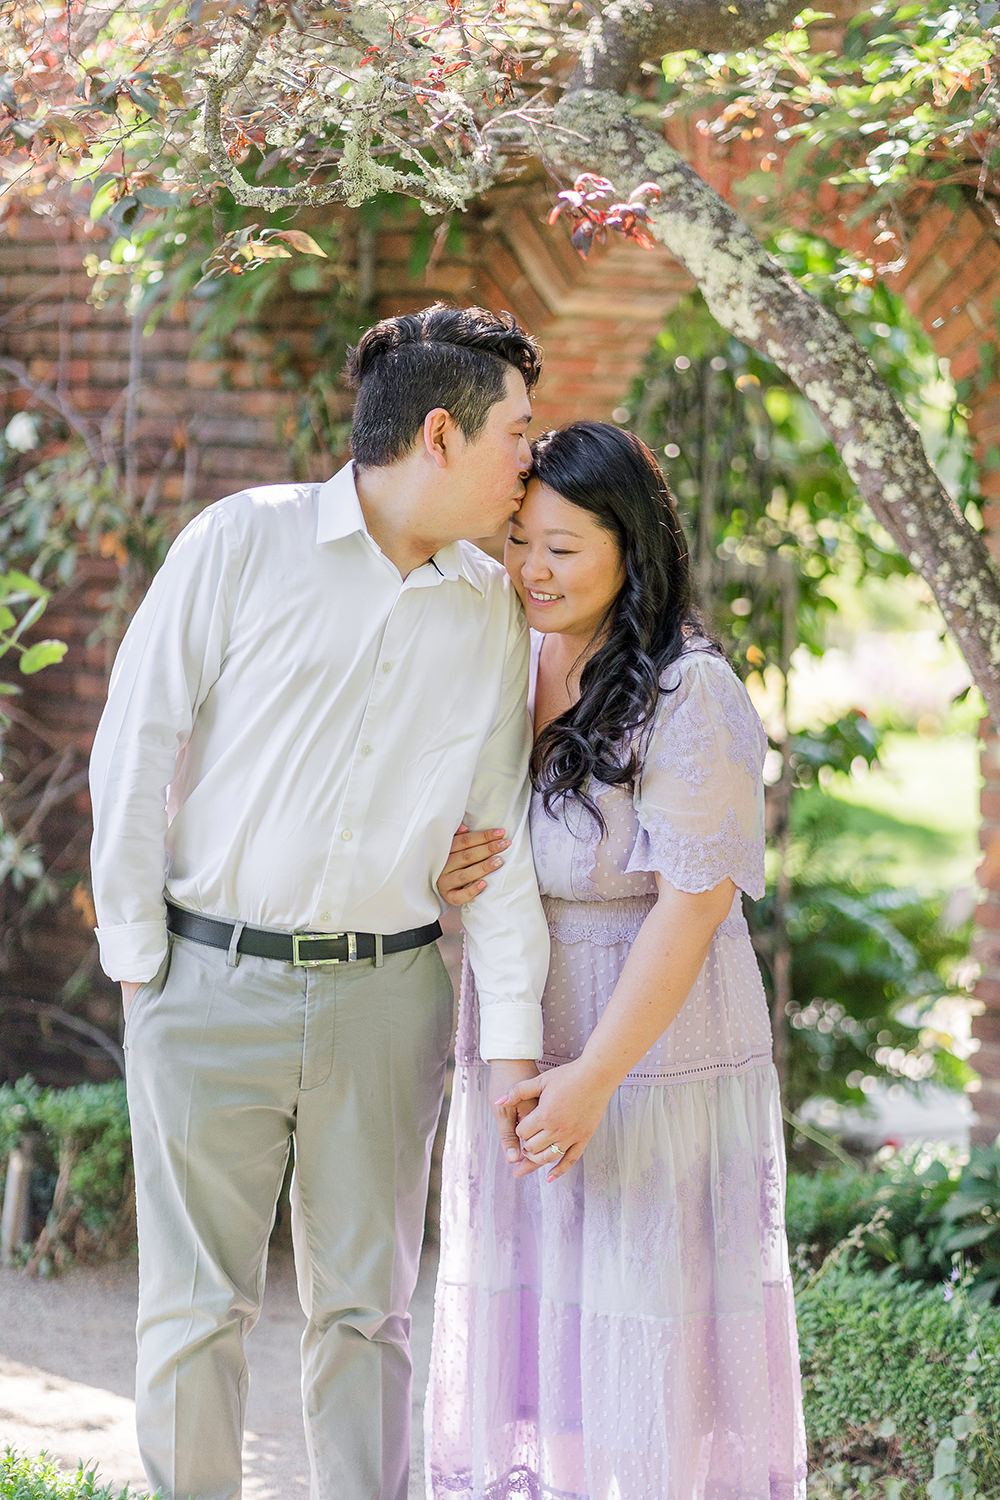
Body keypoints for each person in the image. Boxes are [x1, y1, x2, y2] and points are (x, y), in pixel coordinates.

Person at [88, 303, 551, 1500]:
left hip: (390, 996)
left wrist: (508, 1042)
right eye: (518, 432)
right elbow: (137, 741)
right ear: (441, 435)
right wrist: (142, 959)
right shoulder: (241, 542)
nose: (530, 462)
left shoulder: (492, 607)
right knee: (194, 1313)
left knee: (368, 1317)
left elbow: (493, 832)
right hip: (206, 979)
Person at [426, 421, 807, 1499]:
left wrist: (596, 1077)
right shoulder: (511, 649)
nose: (531, 571)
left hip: (647, 1036)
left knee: (644, 1326)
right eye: (518, 541)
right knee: (541, 1326)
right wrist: (447, 874)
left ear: (631, 549)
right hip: (521, 1021)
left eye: (562, 548)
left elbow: (691, 913)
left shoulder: (691, 694)